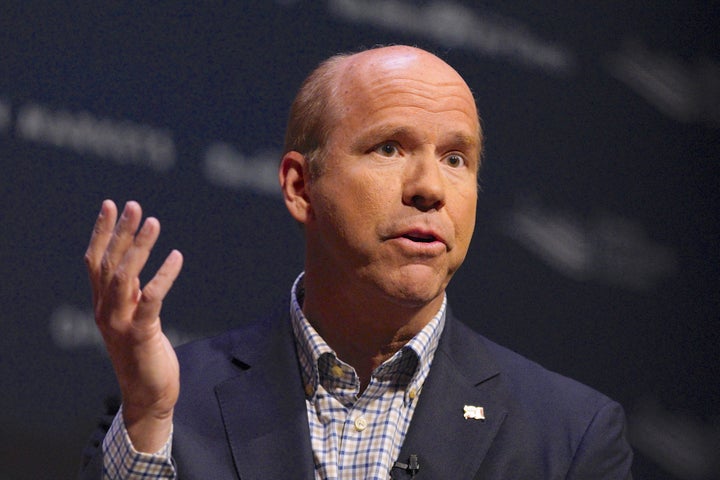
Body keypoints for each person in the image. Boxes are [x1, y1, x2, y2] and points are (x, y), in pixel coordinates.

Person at [79, 45, 633, 479]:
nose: (429, 188)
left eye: (456, 158)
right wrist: (151, 420)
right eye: (389, 148)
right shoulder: (169, 402)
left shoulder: (569, 434)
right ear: (301, 187)